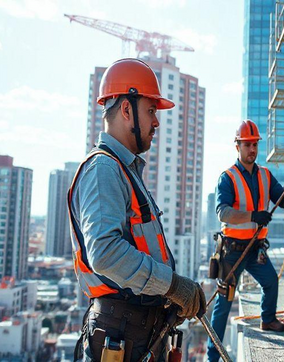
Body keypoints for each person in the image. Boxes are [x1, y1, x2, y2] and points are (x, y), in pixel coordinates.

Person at [68, 58, 205, 361]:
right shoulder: (103, 168)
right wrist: (171, 285)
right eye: (151, 110)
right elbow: (104, 253)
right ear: (127, 110)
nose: (157, 122)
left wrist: (166, 298)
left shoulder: (124, 170)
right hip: (120, 335)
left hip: (136, 331)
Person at [207, 119, 284, 362]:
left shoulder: (266, 176)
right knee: (224, 305)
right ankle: (212, 357)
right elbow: (223, 213)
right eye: (247, 145)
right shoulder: (227, 177)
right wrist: (253, 216)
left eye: (255, 144)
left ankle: (267, 320)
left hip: (255, 248)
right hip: (232, 251)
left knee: (270, 282)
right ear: (237, 146)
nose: (252, 150)